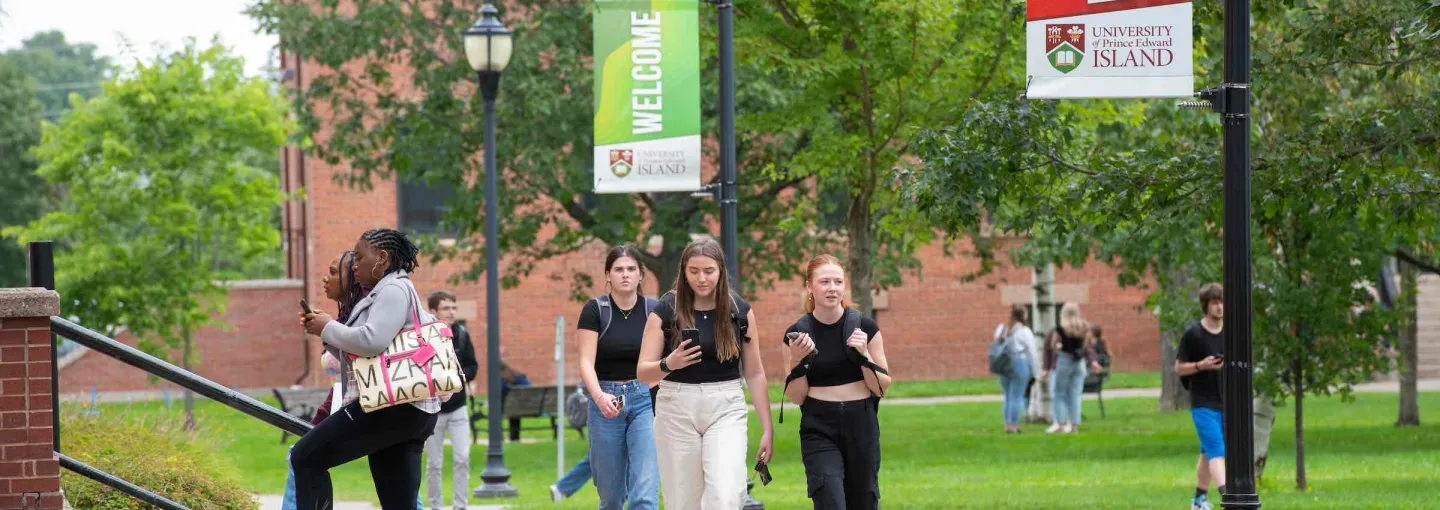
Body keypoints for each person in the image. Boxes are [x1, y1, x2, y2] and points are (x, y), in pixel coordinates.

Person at [298, 228, 442, 509]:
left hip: (390, 405)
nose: (355, 264)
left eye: (361, 257)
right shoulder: (386, 291)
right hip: (410, 409)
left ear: (383, 258)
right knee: (398, 503)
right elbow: (361, 349)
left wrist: (328, 327)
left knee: (306, 456)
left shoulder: (393, 288)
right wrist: (323, 329)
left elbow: (371, 341)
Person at [637, 238, 774, 510]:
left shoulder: (739, 311)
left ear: (721, 271)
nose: (701, 278)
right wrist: (669, 363)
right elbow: (642, 372)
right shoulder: (665, 310)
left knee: (724, 495)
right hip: (675, 407)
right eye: (694, 271)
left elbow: (755, 372)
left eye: (709, 271)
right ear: (684, 272)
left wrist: (767, 427)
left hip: (725, 404)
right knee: (683, 501)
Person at [781, 255, 892, 509]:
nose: (832, 288)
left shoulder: (865, 327)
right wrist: (799, 361)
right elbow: (797, 397)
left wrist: (863, 355)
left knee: (864, 500)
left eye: (838, 281)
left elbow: (881, 387)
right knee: (829, 498)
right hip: (819, 425)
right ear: (809, 286)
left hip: (861, 423)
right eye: (824, 282)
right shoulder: (797, 333)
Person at [574, 244, 661, 509]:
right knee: (611, 497)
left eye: (631, 269)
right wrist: (599, 397)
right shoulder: (595, 310)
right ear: (608, 275)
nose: (625, 274)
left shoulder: (654, 310)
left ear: (641, 275)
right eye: (619, 269)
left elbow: (664, 361)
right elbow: (585, 361)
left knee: (645, 493)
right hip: (604, 398)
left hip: (645, 398)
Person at [423, 291, 479, 510]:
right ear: (434, 312)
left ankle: (460, 505)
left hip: (458, 408)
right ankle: (435, 506)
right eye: (446, 308)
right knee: (434, 464)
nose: (451, 312)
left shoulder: (462, 335)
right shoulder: (425, 336)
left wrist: (453, 378)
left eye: (454, 308)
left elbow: (473, 367)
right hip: (433, 409)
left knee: (462, 458)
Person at [1176, 283, 1226, 510]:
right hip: (1202, 402)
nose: (1220, 307)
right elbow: (1179, 368)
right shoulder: (1193, 334)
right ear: (1205, 305)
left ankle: (1198, 500)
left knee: (1207, 451)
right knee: (1217, 449)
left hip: (1226, 400)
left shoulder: (1230, 331)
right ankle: (1229, 499)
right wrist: (1200, 365)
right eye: (1215, 302)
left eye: (1222, 302)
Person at [1046, 302, 1101, 434]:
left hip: (1064, 361)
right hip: (1079, 363)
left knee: (1059, 393)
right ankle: (1074, 425)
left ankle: (1060, 424)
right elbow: (1087, 346)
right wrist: (1092, 361)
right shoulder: (1085, 327)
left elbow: (1053, 344)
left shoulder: (1060, 329)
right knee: (1075, 395)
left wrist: (1058, 347)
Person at [993, 305, 1037, 434]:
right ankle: (1013, 426)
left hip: (1003, 364)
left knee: (1008, 396)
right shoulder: (1024, 331)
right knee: (1017, 396)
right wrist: (1036, 372)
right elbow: (1032, 353)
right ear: (1023, 315)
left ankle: (1007, 425)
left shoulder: (1002, 329)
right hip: (1019, 362)